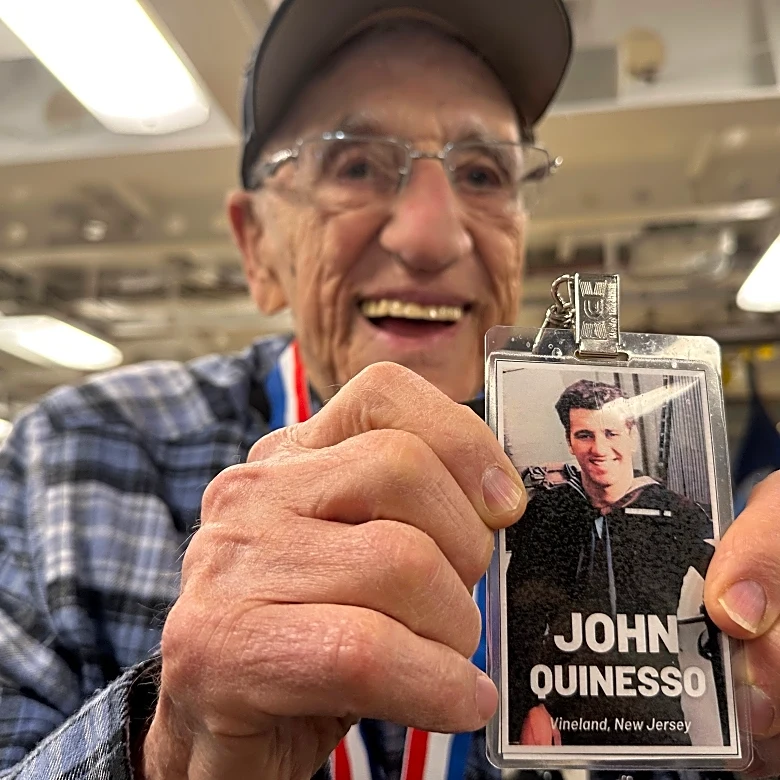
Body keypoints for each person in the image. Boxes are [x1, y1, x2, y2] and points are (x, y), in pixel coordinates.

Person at [0, 1, 779, 779]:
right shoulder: (72, 463)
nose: (432, 237)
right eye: (355, 164)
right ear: (257, 246)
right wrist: (166, 754)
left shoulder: (611, 500)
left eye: (482, 174)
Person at [506, 380, 721, 747]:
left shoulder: (676, 514)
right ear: (569, 442)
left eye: (610, 432)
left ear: (631, 434)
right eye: (585, 435)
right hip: (563, 723)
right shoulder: (546, 514)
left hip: (657, 725)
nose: (599, 448)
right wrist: (526, 707)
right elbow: (515, 621)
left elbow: (728, 596)